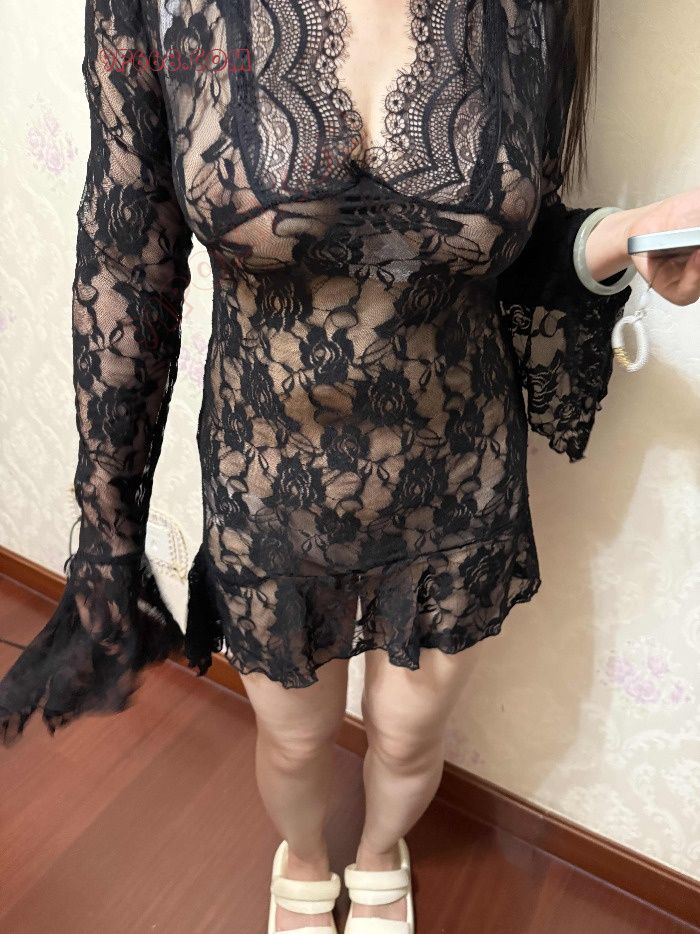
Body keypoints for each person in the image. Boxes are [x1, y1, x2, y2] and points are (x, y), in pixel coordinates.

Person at [1, 0, 699, 931]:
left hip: (458, 474)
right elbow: (129, 264)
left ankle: (379, 856)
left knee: (409, 737)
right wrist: (107, 536)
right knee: (295, 741)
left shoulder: (534, 10)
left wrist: (630, 233)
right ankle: (304, 855)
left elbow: (510, 246)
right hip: (268, 476)